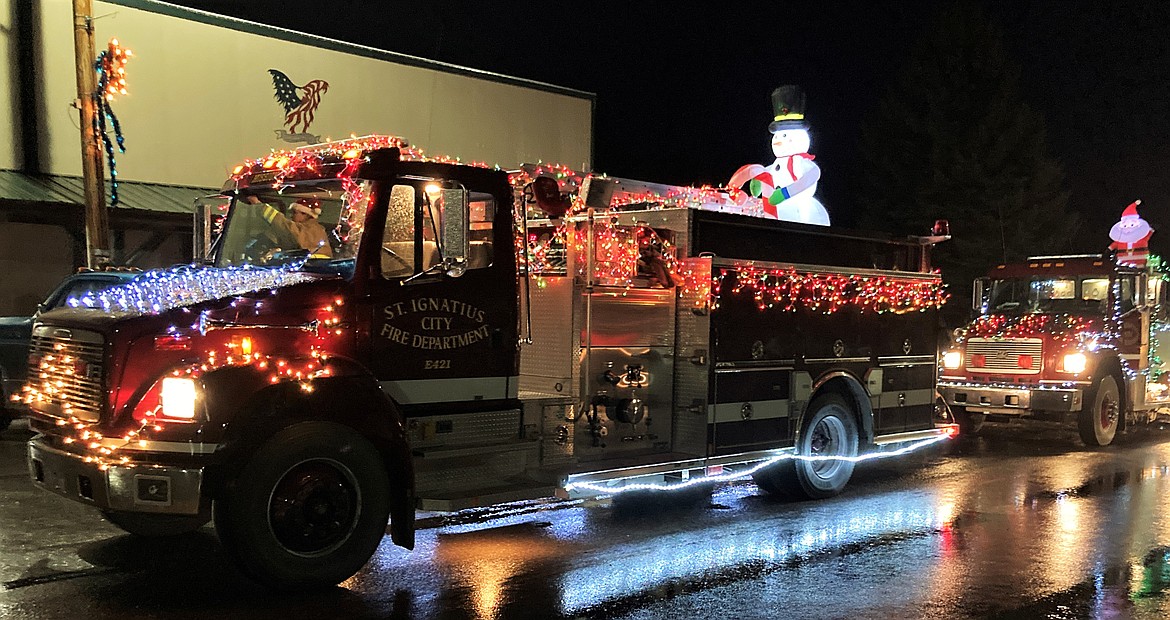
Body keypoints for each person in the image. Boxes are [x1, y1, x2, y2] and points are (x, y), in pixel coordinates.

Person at [244, 195, 333, 259]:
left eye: (295, 213)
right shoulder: (307, 229)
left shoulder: (312, 229)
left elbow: (285, 226)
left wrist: (259, 205)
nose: (291, 216)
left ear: (305, 214)